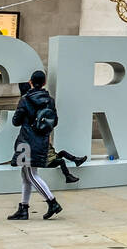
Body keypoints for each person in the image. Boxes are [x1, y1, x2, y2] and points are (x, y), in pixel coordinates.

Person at [7, 70, 78, 221]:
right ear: (44, 83)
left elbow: (15, 121)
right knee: (26, 175)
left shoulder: (25, 99)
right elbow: (55, 121)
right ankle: (23, 208)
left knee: (31, 174)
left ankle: (52, 202)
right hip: (42, 141)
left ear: (30, 82)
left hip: (26, 141)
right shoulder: (49, 100)